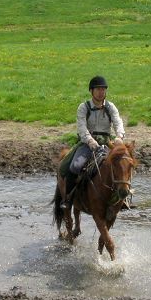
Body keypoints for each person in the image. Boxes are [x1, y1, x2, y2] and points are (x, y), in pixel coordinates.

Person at [61, 75, 125, 208]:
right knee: (75, 166)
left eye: (103, 89)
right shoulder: (83, 107)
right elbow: (81, 127)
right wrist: (90, 140)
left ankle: (122, 198)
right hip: (88, 144)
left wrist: (119, 136)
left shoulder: (110, 107)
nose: (101, 92)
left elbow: (118, 122)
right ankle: (68, 199)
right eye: (98, 89)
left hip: (107, 144)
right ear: (91, 91)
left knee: (123, 165)